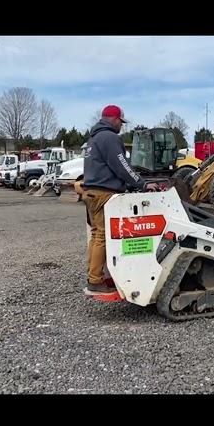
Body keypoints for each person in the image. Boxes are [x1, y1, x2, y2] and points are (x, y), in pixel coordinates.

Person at [82, 104, 158, 296]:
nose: (121, 126)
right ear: (114, 119)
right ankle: (95, 280)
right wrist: (141, 184)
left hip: (91, 191)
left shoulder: (94, 138)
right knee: (102, 235)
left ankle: (94, 274)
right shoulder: (110, 137)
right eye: (121, 122)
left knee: (96, 233)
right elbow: (122, 165)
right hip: (104, 193)